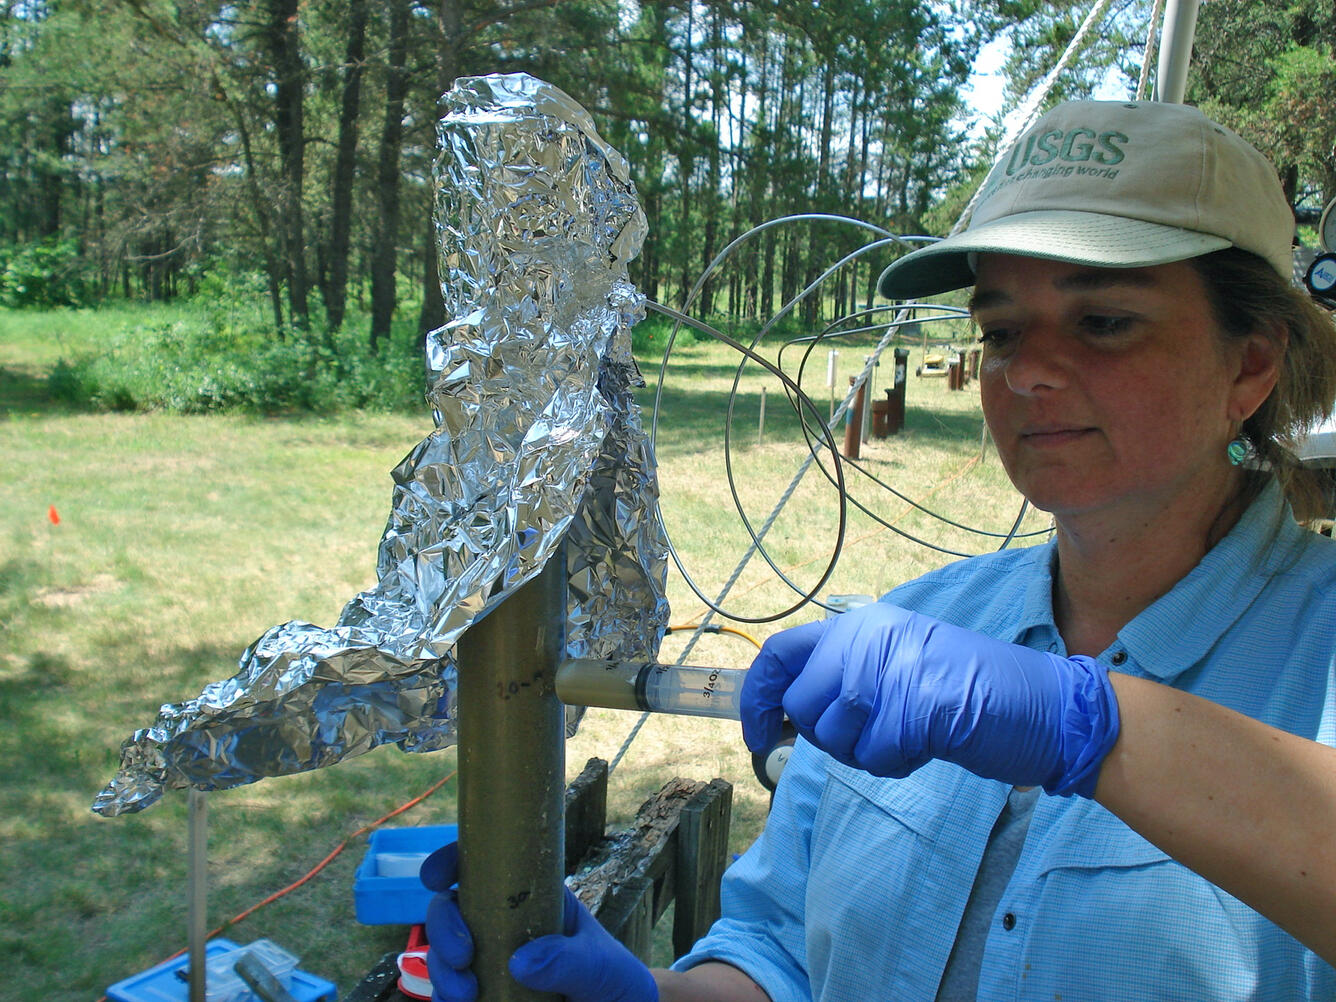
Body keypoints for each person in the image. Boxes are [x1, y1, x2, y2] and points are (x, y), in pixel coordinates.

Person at [421, 99, 1336, 1000]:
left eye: (1103, 322)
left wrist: (1082, 727)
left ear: (1251, 364)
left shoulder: (1317, 656)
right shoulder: (920, 632)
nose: (1026, 372)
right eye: (1003, 330)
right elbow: (780, 952)